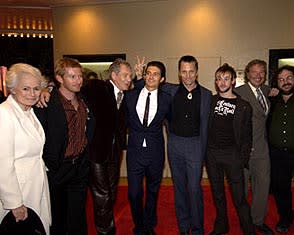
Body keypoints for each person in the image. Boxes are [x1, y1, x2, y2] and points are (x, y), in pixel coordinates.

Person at [135, 55, 212, 235]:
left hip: (196, 145)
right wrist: (140, 77)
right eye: (183, 72)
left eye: (191, 71)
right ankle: (184, 227)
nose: (187, 76)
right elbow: (146, 88)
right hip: (175, 143)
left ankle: (198, 228)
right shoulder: (169, 90)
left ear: (197, 72)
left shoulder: (207, 95)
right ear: (179, 73)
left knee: (193, 188)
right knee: (178, 187)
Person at [34, 57, 95, 235]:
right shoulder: (46, 102)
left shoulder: (84, 99)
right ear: (60, 79)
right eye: (72, 77)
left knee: (78, 215)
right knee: (57, 216)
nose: (79, 80)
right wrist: (47, 89)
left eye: (79, 76)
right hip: (58, 167)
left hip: (81, 166)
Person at [81, 59, 132, 235]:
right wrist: (47, 90)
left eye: (130, 76)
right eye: (125, 75)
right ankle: (106, 231)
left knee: (111, 192)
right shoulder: (98, 87)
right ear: (114, 75)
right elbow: (75, 91)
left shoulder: (126, 95)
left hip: (114, 152)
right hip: (96, 152)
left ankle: (105, 224)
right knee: (102, 194)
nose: (128, 79)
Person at [0, 63, 51, 234]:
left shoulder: (29, 111)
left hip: (35, 186)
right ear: (13, 89)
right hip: (18, 193)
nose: (32, 94)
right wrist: (14, 202)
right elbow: (2, 164)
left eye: (36, 88)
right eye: (26, 88)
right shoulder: (4, 114)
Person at [206, 63, 255, 235]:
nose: (222, 82)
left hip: (233, 156)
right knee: (218, 195)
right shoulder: (209, 101)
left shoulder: (244, 106)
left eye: (226, 78)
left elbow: (248, 136)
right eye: (219, 78)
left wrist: (242, 159)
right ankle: (222, 225)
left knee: (239, 197)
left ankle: (248, 229)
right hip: (212, 155)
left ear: (233, 81)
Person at [125, 61, 171, 235]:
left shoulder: (167, 99)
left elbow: (173, 122)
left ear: (162, 79)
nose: (151, 76)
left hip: (155, 152)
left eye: (156, 74)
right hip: (135, 152)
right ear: (144, 75)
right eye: (148, 73)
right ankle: (139, 223)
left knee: (153, 191)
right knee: (134, 193)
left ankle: (148, 224)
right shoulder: (130, 95)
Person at [267, 65, 294, 233]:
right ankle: (286, 216)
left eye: (289, 78)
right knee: (280, 188)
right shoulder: (273, 98)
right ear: (276, 82)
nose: (285, 82)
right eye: (281, 79)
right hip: (277, 154)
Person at [234, 59, 273, 235]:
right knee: (241, 188)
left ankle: (258, 220)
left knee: (262, 188)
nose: (258, 75)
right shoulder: (237, 93)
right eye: (254, 72)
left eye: (261, 72)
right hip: (243, 151)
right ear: (247, 74)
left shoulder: (268, 91)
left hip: (263, 150)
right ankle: (244, 220)